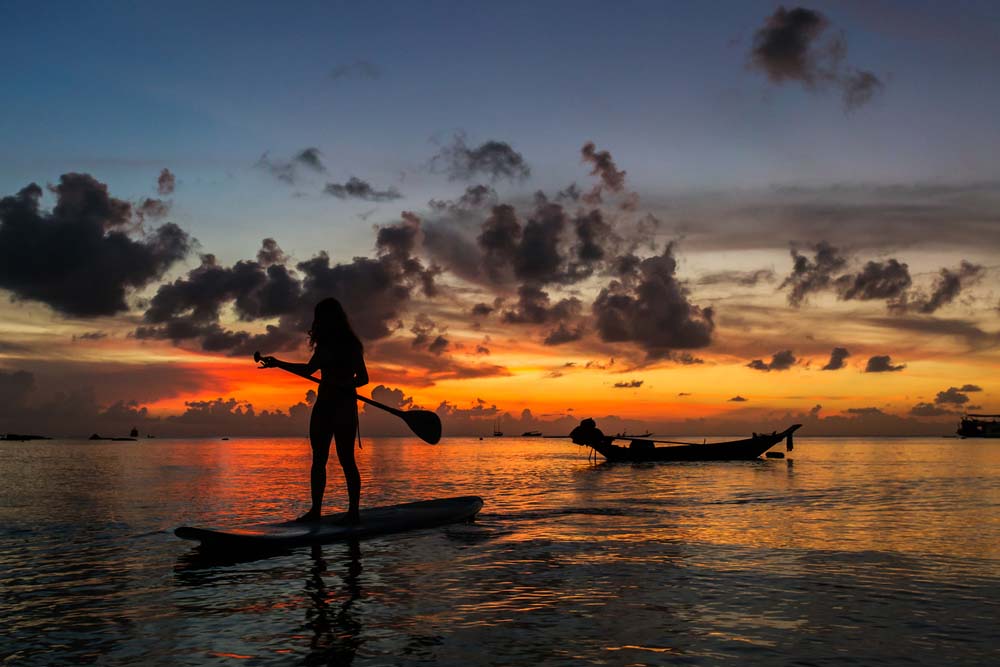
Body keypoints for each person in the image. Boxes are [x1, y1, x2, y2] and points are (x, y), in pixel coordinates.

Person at [258, 298, 369, 522]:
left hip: (345, 408)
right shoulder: (324, 345)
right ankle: (316, 511)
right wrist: (278, 363)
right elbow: (309, 369)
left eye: (321, 316)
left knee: (346, 459)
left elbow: (364, 379)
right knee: (318, 459)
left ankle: (354, 513)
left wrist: (347, 385)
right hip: (324, 406)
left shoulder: (351, 345)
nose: (318, 321)